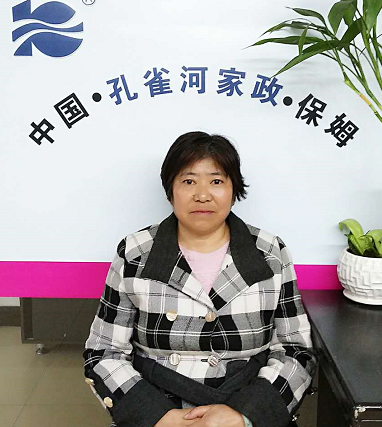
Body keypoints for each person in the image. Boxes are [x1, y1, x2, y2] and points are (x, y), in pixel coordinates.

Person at [83, 131, 317, 427]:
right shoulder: (135, 253)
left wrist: (244, 415)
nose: (202, 195)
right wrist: (159, 416)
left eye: (216, 181)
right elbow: (104, 352)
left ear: (234, 189)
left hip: (246, 409)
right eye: (189, 181)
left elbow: (295, 349)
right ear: (171, 190)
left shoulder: (269, 252)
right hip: (158, 411)